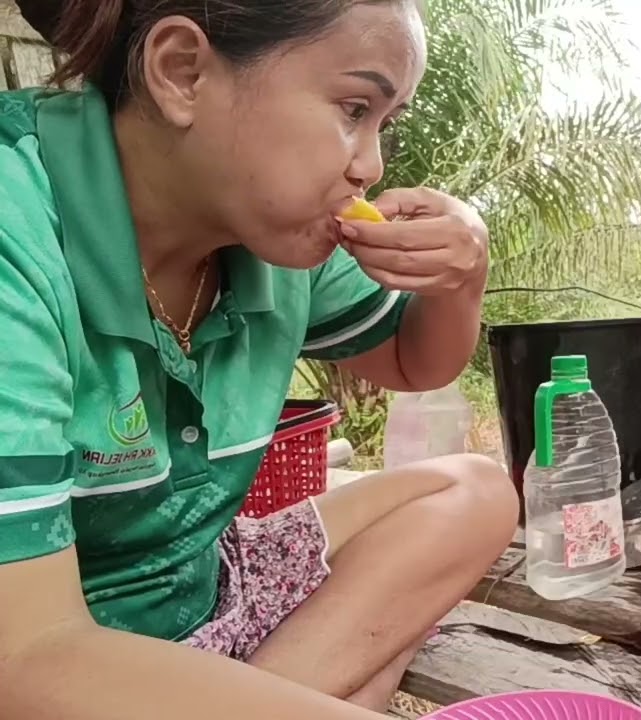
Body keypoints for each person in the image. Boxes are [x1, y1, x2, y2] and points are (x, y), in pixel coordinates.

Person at [0, 2, 518, 719]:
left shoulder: (267, 229)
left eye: (384, 124)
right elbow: (24, 655)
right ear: (182, 71)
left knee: (475, 492)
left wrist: (462, 280)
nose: (370, 166)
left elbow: (411, 359)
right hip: (50, 649)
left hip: (202, 583)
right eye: (353, 109)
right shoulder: (18, 227)